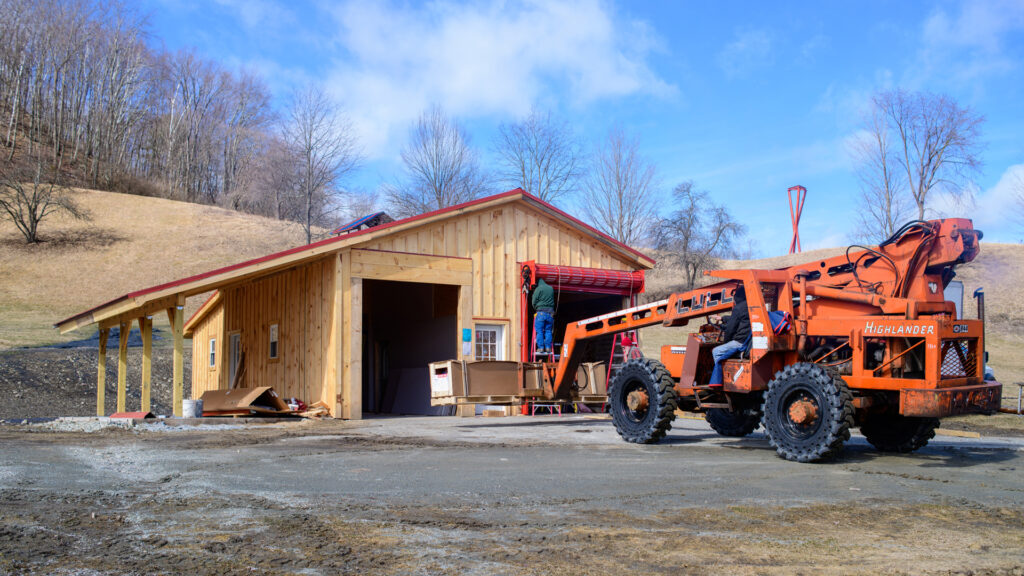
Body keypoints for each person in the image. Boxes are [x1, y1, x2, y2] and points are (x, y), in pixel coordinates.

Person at [709, 284, 750, 387]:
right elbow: (739, 319)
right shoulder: (751, 306)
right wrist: (722, 319)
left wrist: (725, 342)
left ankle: (720, 380)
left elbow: (730, 329)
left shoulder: (738, 308)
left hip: (740, 343)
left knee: (716, 351)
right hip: (748, 341)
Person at [531, 278, 555, 354]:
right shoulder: (550, 288)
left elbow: (534, 301)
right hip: (550, 314)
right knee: (548, 331)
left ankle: (541, 348)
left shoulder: (538, 289)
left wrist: (535, 308)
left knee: (539, 331)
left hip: (541, 312)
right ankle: (548, 348)